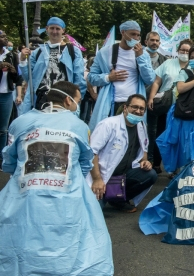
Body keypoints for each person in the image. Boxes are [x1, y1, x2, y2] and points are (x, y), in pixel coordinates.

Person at [0, 81, 113, 275]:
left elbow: (8, 162)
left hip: (25, 194)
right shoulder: (79, 126)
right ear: (68, 100)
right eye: (77, 101)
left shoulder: (20, 122)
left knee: (19, 236)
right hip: (69, 197)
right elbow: (85, 162)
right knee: (81, 238)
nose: (77, 106)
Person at [88, 94, 158, 213]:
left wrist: (145, 162)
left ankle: (117, 200)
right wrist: (97, 179)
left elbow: (144, 152)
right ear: (125, 108)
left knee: (150, 174)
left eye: (142, 109)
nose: (138, 111)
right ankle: (104, 195)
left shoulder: (141, 126)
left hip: (122, 175)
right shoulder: (108, 124)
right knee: (93, 214)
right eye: (134, 107)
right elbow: (91, 153)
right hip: (102, 175)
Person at [157, 45, 194, 174]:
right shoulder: (184, 72)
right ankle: (183, 174)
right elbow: (180, 88)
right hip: (184, 116)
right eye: (192, 58)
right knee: (184, 146)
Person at [88, 20, 156, 130]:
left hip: (134, 105)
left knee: (133, 137)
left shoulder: (144, 54)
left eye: (138, 35)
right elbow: (91, 77)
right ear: (123, 32)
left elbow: (150, 79)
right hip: (111, 104)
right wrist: (108, 77)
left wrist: (140, 57)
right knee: (108, 135)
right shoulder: (105, 52)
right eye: (132, 34)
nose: (136, 38)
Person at [18, 17, 86, 113]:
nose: (54, 31)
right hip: (40, 101)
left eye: (58, 29)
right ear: (47, 29)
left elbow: (78, 78)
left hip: (63, 101)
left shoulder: (73, 51)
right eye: (52, 28)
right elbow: (29, 78)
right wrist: (22, 61)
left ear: (63, 30)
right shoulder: (38, 52)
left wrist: (75, 101)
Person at [147, 39, 193, 172]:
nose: (184, 53)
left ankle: (175, 168)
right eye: (182, 50)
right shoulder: (168, 63)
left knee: (179, 138)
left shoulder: (193, 65)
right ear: (178, 51)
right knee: (162, 135)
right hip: (166, 106)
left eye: (187, 51)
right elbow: (156, 82)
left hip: (185, 108)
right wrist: (151, 98)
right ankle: (156, 163)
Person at [0, 31, 23, 162]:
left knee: (3, 130)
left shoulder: (11, 55)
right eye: (2, 37)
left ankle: (1, 158)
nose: (5, 39)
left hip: (6, 95)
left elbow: (18, 78)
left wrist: (13, 71)